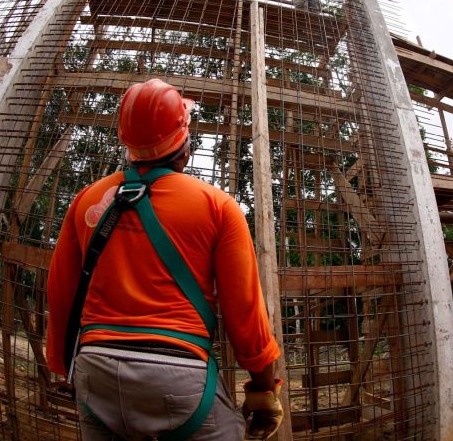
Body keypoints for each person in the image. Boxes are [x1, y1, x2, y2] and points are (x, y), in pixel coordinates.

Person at [46, 78, 283, 440]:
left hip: (94, 370)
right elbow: (245, 312)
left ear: (126, 141)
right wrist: (264, 389)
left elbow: (61, 292)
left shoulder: (86, 200)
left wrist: (65, 368)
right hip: (178, 374)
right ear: (184, 145)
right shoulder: (218, 206)